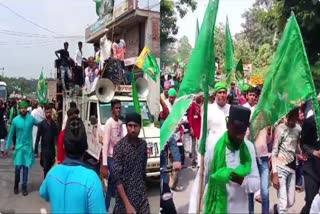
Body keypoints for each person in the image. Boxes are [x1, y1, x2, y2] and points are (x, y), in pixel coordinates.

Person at [39, 116, 106, 213]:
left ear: (64, 146)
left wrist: (53, 168)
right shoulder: (91, 179)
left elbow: (43, 193)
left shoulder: (52, 173)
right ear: (85, 147)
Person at [203, 105, 260, 213]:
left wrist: (241, 180)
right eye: (236, 130)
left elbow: (256, 183)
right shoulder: (214, 147)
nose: (239, 136)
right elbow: (203, 178)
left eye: (242, 132)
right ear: (228, 125)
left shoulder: (249, 148)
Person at [188, 82, 231, 213]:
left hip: (226, 152)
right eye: (219, 92)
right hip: (210, 151)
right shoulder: (208, 109)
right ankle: (194, 209)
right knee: (202, 180)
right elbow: (202, 133)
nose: (222, 95)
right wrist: (200, 153)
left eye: (224, 92)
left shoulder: (231, 109)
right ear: (215, 95)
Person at [113, 112, 150, 213]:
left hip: (141, 199)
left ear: (140, 127)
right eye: (130, 126)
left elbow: (143, 171)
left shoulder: (143, 145)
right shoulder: (119, 147)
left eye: (135, 126)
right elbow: (117, 179)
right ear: (126, 126)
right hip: (124, 202)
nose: (133, 129)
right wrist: (127, 204)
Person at [4, 101, 39, 196]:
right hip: (19, 148)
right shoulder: (15, 120)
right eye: (21, 108)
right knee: (18, 168)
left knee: (26, 168)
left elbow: (40, 124)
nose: (23, 109)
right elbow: (10, 135)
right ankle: (16, 184)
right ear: (19, 109)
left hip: (28, 148)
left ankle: (24, 187)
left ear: (27, 108)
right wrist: (6, 148)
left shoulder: (31, 119)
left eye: (24, 108)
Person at [272, 108, 301, 214]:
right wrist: (274, 173)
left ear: (297, 118)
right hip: (280, 167)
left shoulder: (298, 129)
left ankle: (277, 209)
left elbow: (297, 146)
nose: (292, 122)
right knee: (283, 204)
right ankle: (281, 209)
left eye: (294, 120)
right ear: (287, 117)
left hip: (292, 167)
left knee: (290, 201)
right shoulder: (280, 129)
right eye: (290, 119)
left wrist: (301, 154)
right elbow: (274, 151)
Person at [100, 99, 123, 212]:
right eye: (116, 108)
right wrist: (104, 165)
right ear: (112, 110)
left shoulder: (120, 123)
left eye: (119, 108)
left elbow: (122, 140)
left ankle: (105, 207)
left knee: (111, 186)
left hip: (119, 158)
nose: (118, 110)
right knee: (118, 182)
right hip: (110, 157)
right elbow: (105, 144)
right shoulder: (109, 123)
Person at [300, 113, 320, 214]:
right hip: (312, 168)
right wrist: (314, 152)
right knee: (311, 201)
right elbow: (303, 144)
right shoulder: (310, 121)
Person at [35, 105, 58, 178]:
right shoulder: (41, 124)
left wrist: (58, 149)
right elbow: (38, 136)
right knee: (45, 167)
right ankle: (45, 182)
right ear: (45, 113)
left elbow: (57, 136)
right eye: (47, 112)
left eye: (50, 112)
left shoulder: (54, 124)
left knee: (51, 167)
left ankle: (50, 182)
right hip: (44, 149)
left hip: (52, 149)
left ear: (51, 113)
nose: (48, 114)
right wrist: (36, 149)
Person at [188, 95, 203, 168]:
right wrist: (191, 127)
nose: (199, 98)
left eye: (200, 97)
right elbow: (190, 116)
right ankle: (194, 160)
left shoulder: (203, 105)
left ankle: (200, 160)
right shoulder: (193, 105)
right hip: (194, 127)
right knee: (193, 144)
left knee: (199, 144)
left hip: (201, 128)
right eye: (198, 97)